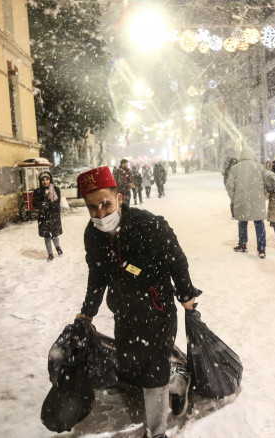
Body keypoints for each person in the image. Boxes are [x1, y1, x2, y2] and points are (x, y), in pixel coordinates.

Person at [75, 166, 201, 438]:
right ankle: (179, 381)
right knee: (133, 368)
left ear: (119, 199)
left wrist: (186, 296)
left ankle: (156, 433)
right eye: (92, 208)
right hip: (123, 312)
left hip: (157, 310)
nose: (100, 213)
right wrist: (87, 312)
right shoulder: (94, 235)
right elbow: (97, 274)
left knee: (153, 370)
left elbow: (177, 261)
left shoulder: (150, 225)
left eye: (106, 204)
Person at [226, 146, 267, 258]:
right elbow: (268, 182)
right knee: (259, 224)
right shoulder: (259, 167)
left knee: (242, 222)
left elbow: (229, 186)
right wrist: (264, 195)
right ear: (252, 155)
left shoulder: (235, 168)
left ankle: (243, 245)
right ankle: (262, 249)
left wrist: (234, 198)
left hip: (242, 200)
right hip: (257, 200)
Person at [32, 171, 62, 261]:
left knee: (54, 235)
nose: (45, 182)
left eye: (47, 179)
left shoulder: (55, 190)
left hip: (54, 215)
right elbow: (34, 203)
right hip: (43, 216)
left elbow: (57, 202)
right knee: (47, 236)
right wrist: (42, 205)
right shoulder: (37, 191)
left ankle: (58, 247)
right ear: (40, 181)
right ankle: (50, 254)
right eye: (43, 180)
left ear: (50, 180)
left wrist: (49, 204)